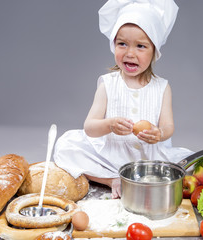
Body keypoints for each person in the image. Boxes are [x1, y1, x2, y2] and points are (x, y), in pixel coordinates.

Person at [53, 0, 193, 198]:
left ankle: (139, 177)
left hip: (149, 158)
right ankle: (111, 179)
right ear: (113, 44)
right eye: (122, 44)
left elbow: (168, 126)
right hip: (110, 155)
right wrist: (109, 125)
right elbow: (90, 127)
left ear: (155, 51)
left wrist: (159, 134)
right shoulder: (108, 84)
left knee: (193, 164)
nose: (130, 53)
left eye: (141, 46)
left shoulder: (162, 87)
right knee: (65, 147)